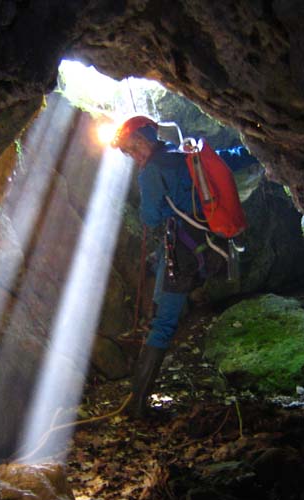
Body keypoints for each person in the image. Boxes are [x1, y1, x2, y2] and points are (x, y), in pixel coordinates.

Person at [112, 116, 222, 418]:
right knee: (162, 310)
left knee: (164, 322)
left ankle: (136, 405)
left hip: (181, 251)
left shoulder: (151, 172)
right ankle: (138, 399)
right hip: (203, 243)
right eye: (130, 152)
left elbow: (150, 218)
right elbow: (223, 163)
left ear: (148, 138)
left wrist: (157, 201)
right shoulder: (184, 154)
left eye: (135, 148)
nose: (135, 156)